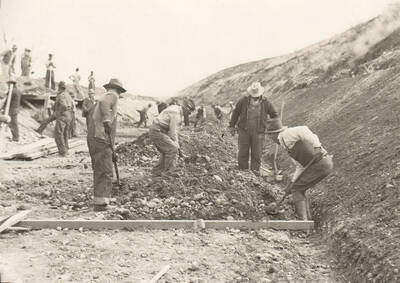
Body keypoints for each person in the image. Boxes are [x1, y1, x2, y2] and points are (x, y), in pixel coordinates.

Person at [265, 118, 334, 220]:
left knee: (296, 190)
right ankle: (308, 219)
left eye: (269, 135)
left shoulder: (286, 134)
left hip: (320, 163)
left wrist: (317, 146)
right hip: (321, 165)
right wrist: (293, 181)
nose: (270, 138)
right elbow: (300, 166)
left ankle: (303, 222)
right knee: (298, 188)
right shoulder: (285, 143)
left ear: (273, 134)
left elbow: (304, 130)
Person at [87, 78, 126, 211]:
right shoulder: (112, 96)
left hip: (96, 138)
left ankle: (101, 198)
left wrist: (112, 149)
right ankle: (101, 204)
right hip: (100, 139)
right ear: (118, 90)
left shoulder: (103, 96)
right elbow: (105, 104)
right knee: (105, 170)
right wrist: (106, 120)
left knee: (100, 168)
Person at [229, 81, 278, 174]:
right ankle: (243, 171)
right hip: (244, 130)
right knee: (243, 151)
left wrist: (273, 127)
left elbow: (274, 114)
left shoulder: (265, 102)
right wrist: (232, 126)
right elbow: (235, 113)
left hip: (259, 132)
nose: (254, 96)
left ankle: (254, 173)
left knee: (257, 153)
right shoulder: (243, 100)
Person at [149, 100, 181, 177]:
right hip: (158, 131)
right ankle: (168, 172)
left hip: (155, 130)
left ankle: (157, 171)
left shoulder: (171, 108)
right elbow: (172, 131)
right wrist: (176, 144)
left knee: (166, 150)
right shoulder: (176, 113)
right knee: (173, 149)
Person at [54, 81, 73, 156]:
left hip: (62, 116)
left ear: (59, 87)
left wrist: (59, 113)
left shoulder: (61, 95)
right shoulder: (68, 95)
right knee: (65, 133)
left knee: (58, 134)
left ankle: (62, 152)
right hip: (69, 116)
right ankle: (66, 149)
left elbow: (64, 106)